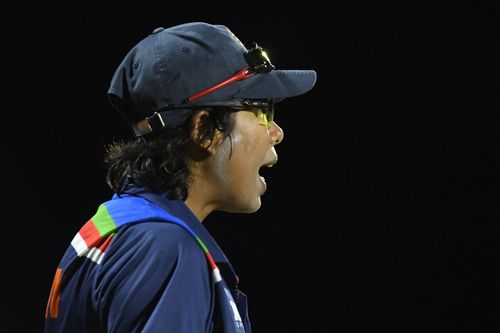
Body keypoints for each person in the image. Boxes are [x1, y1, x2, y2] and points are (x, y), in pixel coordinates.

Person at [44, 21, 316, 332]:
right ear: (204, 130)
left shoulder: (123, 227)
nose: (277, 133)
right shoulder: (164, 250)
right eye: (261, 111)